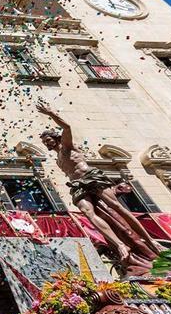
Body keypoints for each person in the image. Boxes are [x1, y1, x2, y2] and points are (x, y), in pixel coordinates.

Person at [36, 101, 163, 273]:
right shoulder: (58, 158)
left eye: (48, 140)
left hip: (90, 177)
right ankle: (119, 245)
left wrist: (51, 113)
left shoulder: (67, 145)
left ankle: (150, 240)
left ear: (56, 138)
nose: (47, 144)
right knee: (88, 212)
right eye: (45, 143)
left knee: (116, 207)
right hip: (77, 184)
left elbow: (67, 127)